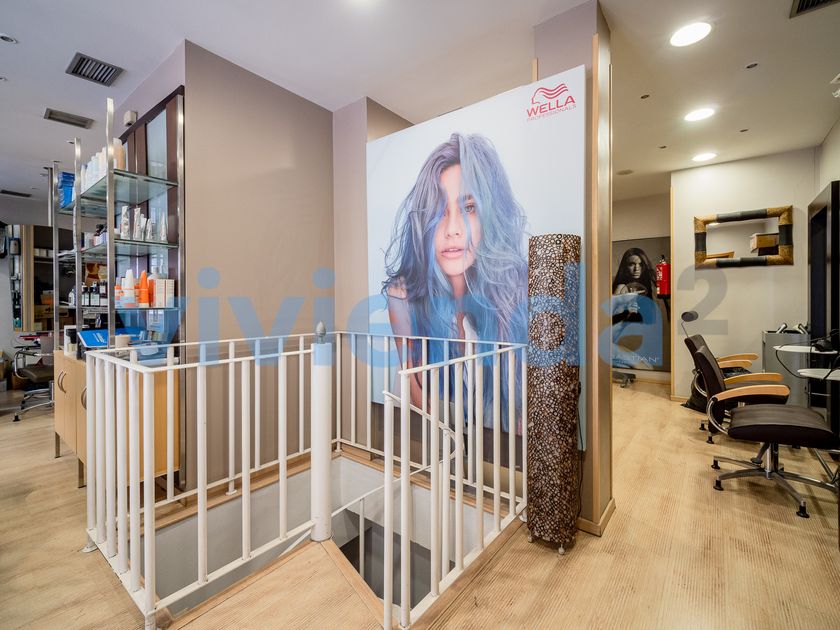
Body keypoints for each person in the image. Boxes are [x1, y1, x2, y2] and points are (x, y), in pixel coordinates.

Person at [382, 133, 528, 431]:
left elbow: (520, 413)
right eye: (439, 211)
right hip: (441, 444)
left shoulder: (515, 293)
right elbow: (416, 395)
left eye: (469, 208)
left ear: (490, 216)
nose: (452, 229)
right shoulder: (403, 296)